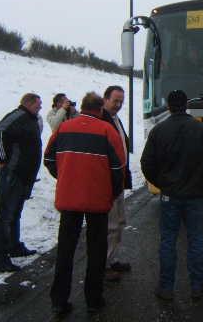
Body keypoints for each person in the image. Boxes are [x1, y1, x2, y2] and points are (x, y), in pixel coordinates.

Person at [44, 92, 126, 315]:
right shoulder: (107, 131)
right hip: (97, 200)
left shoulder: (64, 128)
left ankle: (59, 301)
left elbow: (49, 159)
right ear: (100, 109)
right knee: (96, 250)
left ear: (81, 106)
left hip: (69, 199)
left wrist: (65, 177)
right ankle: (93, 299)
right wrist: (111, 191)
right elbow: (119, 168)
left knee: (66, 251)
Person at [141, 90, 203, 301]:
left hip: (170, 195)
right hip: (195, 196)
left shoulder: (159, 130)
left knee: (168, 241)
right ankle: (197, 286)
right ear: (186, 105)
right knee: (195, 240)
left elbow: (146, 163)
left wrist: (162, 183)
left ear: (168, 106)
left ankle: (166, 288)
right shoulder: (200, 129)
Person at [0, 93, 43, 273]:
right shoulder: (17, 116)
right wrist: (2, 159)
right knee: (5, 213)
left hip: (24, 175)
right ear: (27, 103)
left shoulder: (31, 119)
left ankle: (14, 246)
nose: (40, 108)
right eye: (37, 104)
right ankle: (0, 256)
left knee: (15, 212)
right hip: (12, 174)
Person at [100, 85, 133, 281]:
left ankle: (111, 259)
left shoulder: (114, 118)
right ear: (105, 99)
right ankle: (102, 265)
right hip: (108, 184)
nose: (119, 105)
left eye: (121, 101)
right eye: (115, 101)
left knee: (119, 222)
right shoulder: (101, 119)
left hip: (118, 181)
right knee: (111, 226)